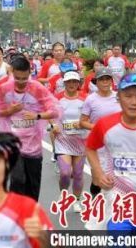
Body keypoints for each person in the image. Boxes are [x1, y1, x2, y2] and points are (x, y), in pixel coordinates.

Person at [0, 56, 61, 201]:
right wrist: (10, 111)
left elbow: (55, 111)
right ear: (12, 72)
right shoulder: (4, 88)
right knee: (17, 181)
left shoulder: (37, 88)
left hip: (33, 145)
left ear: (30, 73)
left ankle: (30, 211)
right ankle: (17, 212)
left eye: (24, 78)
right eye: (17, 78)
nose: (21, 82)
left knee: (32, 186)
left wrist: (37, 116)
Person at [85, 73, 136, 233]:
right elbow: (90, 147)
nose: (134, 102)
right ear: (118, 97)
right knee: (118, 237)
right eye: (128, 96)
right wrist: (99, 173)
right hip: (119, 196)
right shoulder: (105, 125)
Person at [79, 67, 121, 195]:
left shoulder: (119, 97)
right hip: (97, 145)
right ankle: (96, 200)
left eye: (107, 79)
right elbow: (82, 122)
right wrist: (99, 128)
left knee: (116, 178)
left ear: (111, 81)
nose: (105, 82)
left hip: (117, 144)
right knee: (98, 179)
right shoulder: (91, 99)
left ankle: (112, 202)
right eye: (102, 79)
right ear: (96, 82)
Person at [53, 71, 87, 212]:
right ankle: (63, 194)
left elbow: (92, 116)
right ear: (64, 83)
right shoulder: (57, 98)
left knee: (78, 173)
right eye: (69, 82)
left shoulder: (86, 99)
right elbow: (50, 114)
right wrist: (53, 124)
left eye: (74, 81)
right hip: (63, 141)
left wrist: (83, 123)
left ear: (78, 83)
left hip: (80, 141)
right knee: (65, 173)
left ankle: (77, 200)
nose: (72, 84)